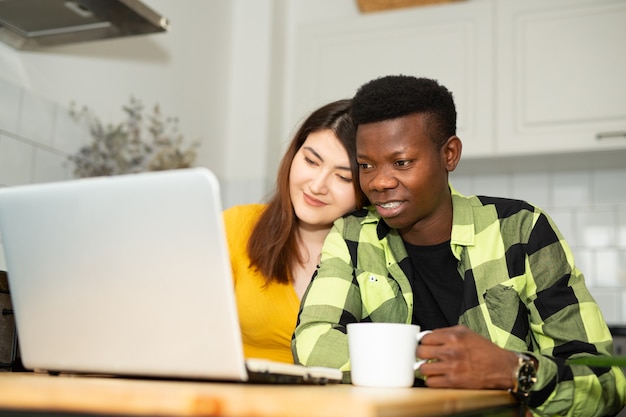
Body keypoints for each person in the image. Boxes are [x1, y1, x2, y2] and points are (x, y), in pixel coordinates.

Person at [292, 76, 626, 416]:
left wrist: (511, 370)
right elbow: (312, 343)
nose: (379, 182)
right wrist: (435, 362)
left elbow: (605, 381)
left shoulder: (520, 229)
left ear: (449, 154)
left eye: (402, 162)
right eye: (366, 165)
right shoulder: (352, 235)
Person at [224, 99, 367, 364]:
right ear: (294, 154)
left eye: (343, 177)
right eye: (311, 161)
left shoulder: (378, 255)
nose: (317, 186)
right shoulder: (237, 226)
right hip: (237, 398)